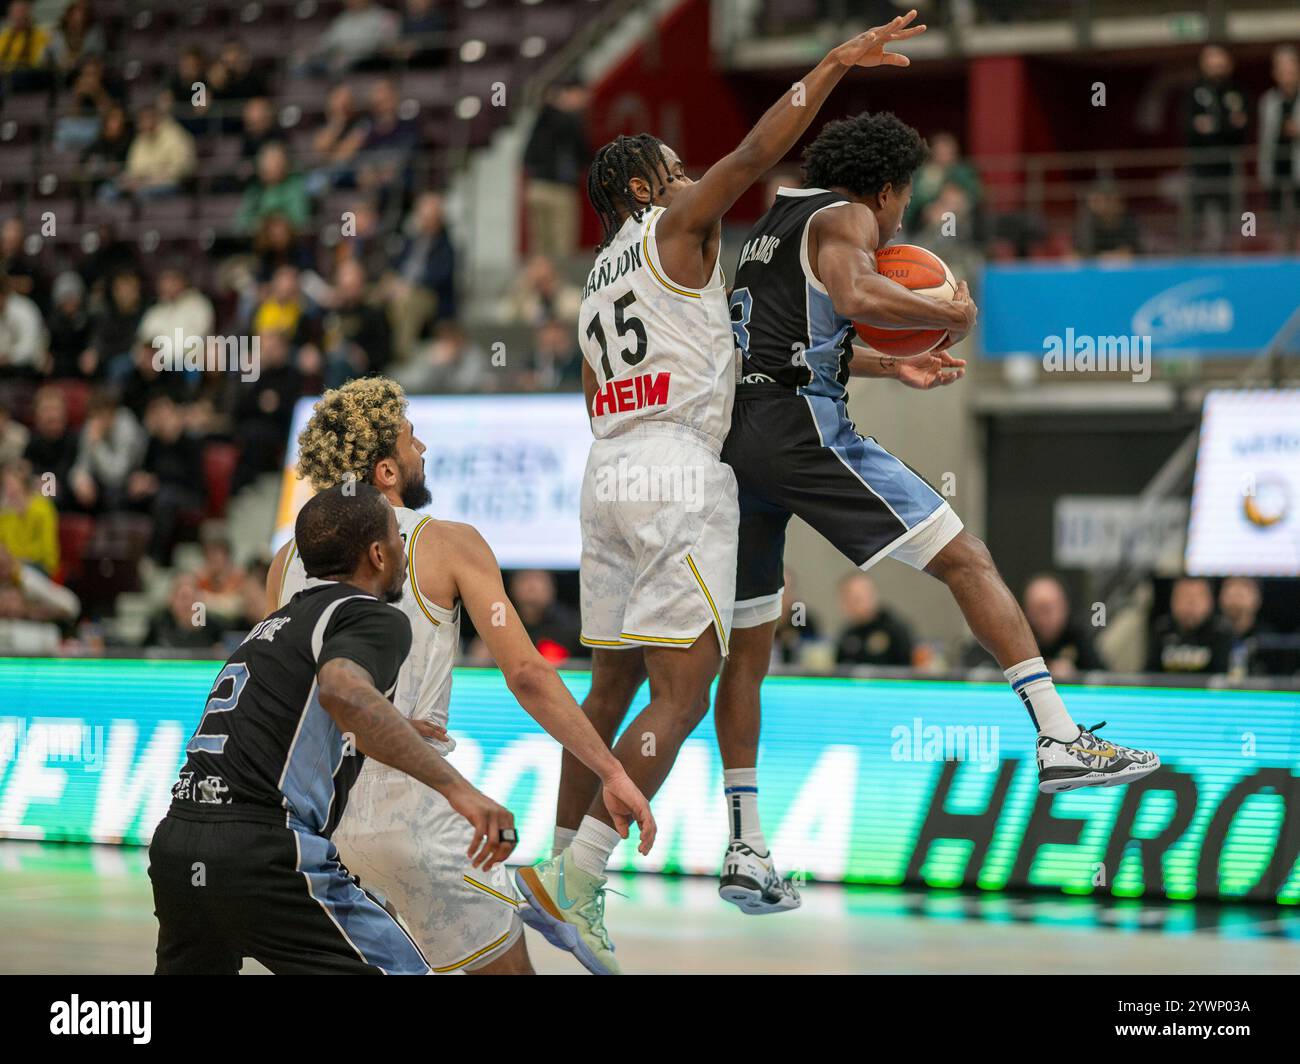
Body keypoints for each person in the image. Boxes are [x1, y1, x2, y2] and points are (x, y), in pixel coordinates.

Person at [525, 12, 931, 975]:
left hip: (608, 469)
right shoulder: (677, 224)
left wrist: (874, 363)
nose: (686, 174)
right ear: (639, 188)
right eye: (670, 167)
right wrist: (834, 64)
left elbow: (667, 377)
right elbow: (758, 150)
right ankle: (580, 878)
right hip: (676, 474)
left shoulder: (593, 282)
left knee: (613, 685)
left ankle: (551, 867)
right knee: (687, 687)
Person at [710, 101, 1160, 906]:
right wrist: (947, 312)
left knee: (749, 650)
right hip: (806, 431)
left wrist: (891, 367)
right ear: (885, 190)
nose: (901, 217)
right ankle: (1060, 738)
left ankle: (744, 843)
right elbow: (855, 294)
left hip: (738, 443)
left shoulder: (773, 222)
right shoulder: (848, 216)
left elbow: (792, 338)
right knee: (965, 558)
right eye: (905, 200)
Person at [266, 377, 652, 975]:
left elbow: (292, 695)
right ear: (387, 472)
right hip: (422, 818)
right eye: (413, 440)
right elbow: (525, 673)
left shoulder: (286, 563)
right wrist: (611, 771)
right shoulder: (447, 542)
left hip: (328, 828)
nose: (424, 452)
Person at [150, 483, 519, 974]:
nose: (404, 553)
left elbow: (310, 710)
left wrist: (392, 723)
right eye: (397, 542)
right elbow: (343, 692)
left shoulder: (275, 624)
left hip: (179, 844)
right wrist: (462, 793)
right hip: (264, 851)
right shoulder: (368, 614)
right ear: (377, 554)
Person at [1146, 576, 1233, 676]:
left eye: (1196, 597)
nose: (1190, 603)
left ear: (1209, 601)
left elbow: (1223, 677)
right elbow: (1149, 674)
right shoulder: (1162, 629)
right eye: (1184, 596)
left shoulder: (1220, 632)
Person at [1258, 45, 1300, 250]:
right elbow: (1264, 138)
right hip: (1276, 168)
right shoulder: (1268, 101)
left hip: (1299, 167)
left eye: (1290, 69)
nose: (1286, 75)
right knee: (1278, 221)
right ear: (1275, 73)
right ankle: (1281, 257)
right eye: (1281, 70)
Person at [834, 571, 914, 667]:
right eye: (846, 599)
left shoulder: (895, 629)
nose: (851, 605)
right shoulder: (847, 634)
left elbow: (910, 669)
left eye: (857, 599)